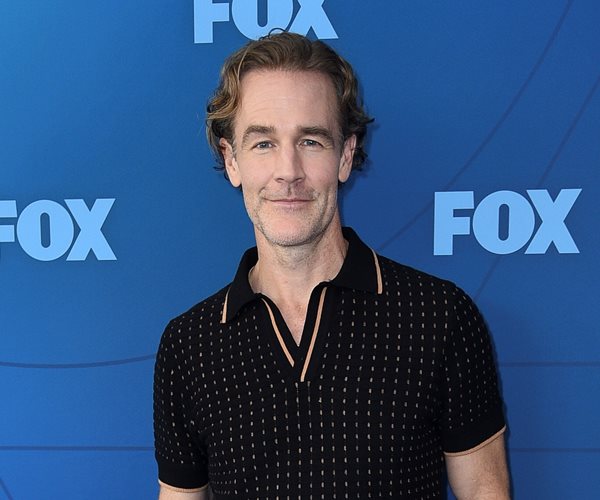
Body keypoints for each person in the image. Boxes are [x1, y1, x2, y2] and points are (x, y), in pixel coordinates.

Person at [153, 32, 510, 499]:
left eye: (311, 141)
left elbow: (484, 489)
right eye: (263, 143)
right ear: (232, 160)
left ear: (345, 156)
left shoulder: (438, 316)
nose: (288, 171)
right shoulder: (188, 346)